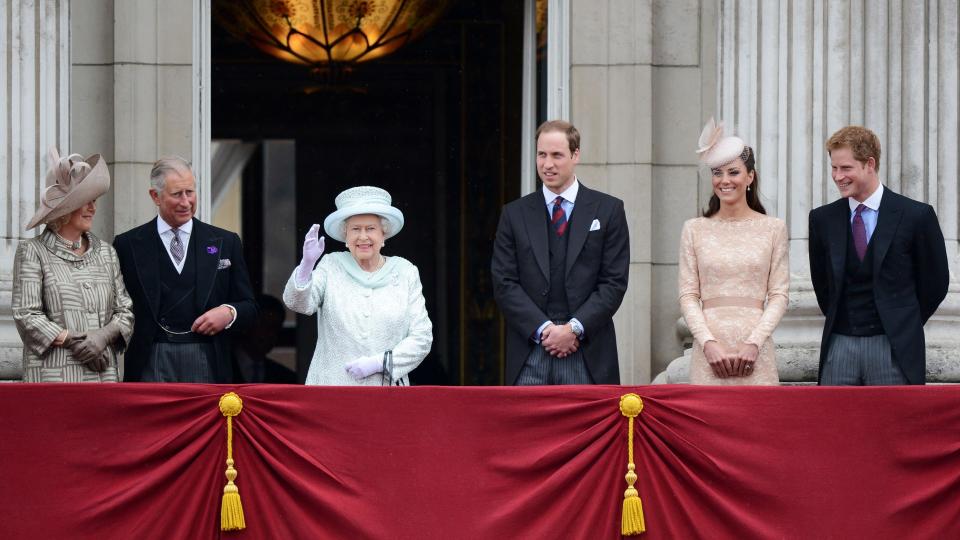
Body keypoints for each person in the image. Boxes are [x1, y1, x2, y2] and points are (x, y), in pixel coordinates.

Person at [491, 120, 630, 385]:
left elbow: (614, 282)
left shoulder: (609, 210)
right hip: (530, 349)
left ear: (576, 155)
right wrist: (545, 331)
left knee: (587, 427)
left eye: (557, 155)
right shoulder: (514, 214)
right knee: (527, 427)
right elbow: (504, 282)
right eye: (542, 155)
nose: (547, 164)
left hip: (587, 350)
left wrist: (573, 329)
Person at [809, 126, 949, 385]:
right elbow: (823, 285)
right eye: (834, 168)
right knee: (834, 424)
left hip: (894, 347)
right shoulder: (822, 219)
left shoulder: (916, 215)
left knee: (894, 425)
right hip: (839, 345)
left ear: (869, 164)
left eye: (846, 168)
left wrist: (902, 321)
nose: (838, 176)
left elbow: (936, 283)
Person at [113, 156, 257, 382]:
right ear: (155, 196)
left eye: (190, 192)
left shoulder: (225, 242)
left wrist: (229, 313)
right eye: (176, 194)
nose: (185, 202)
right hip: (150, 359)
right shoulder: (128, 245)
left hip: (207, 357)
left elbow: (249, 306)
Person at [283, 186, 432, 386]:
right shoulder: (331, 265)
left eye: (370, 228)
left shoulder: (406, 272)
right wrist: (306, 266)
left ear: (383, 234)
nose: (363, 237)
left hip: (385, 393)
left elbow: (422, 338)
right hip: (331, 391)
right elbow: (299, 304)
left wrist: (380, 363)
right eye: (355, 229)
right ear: (345, 236)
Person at [678, 118, 789, 385]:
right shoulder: (694, 229)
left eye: (733, 172)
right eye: (718, 173)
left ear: (750, 176)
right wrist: (708, 343)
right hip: (709, 352)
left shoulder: (774, 228)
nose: (724, 180)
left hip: (756, 350)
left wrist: (754, 343)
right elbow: (688, 294)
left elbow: (779, 295)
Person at [12, 148, 134, 382]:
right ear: (65, 210)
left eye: (94, 201)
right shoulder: (33, 252)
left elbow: (124, 311)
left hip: (102, 378)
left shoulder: (107, 253)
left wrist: (102, 337)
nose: (93, 208)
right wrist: (74, 339)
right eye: (85, 202)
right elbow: (27, 314)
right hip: (53, 380)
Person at [232, 294, 298, 384]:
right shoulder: (221, 368)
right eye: (263, 324)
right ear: (247, 325)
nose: (269, 333)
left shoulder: (284, 377)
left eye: (274, 327)